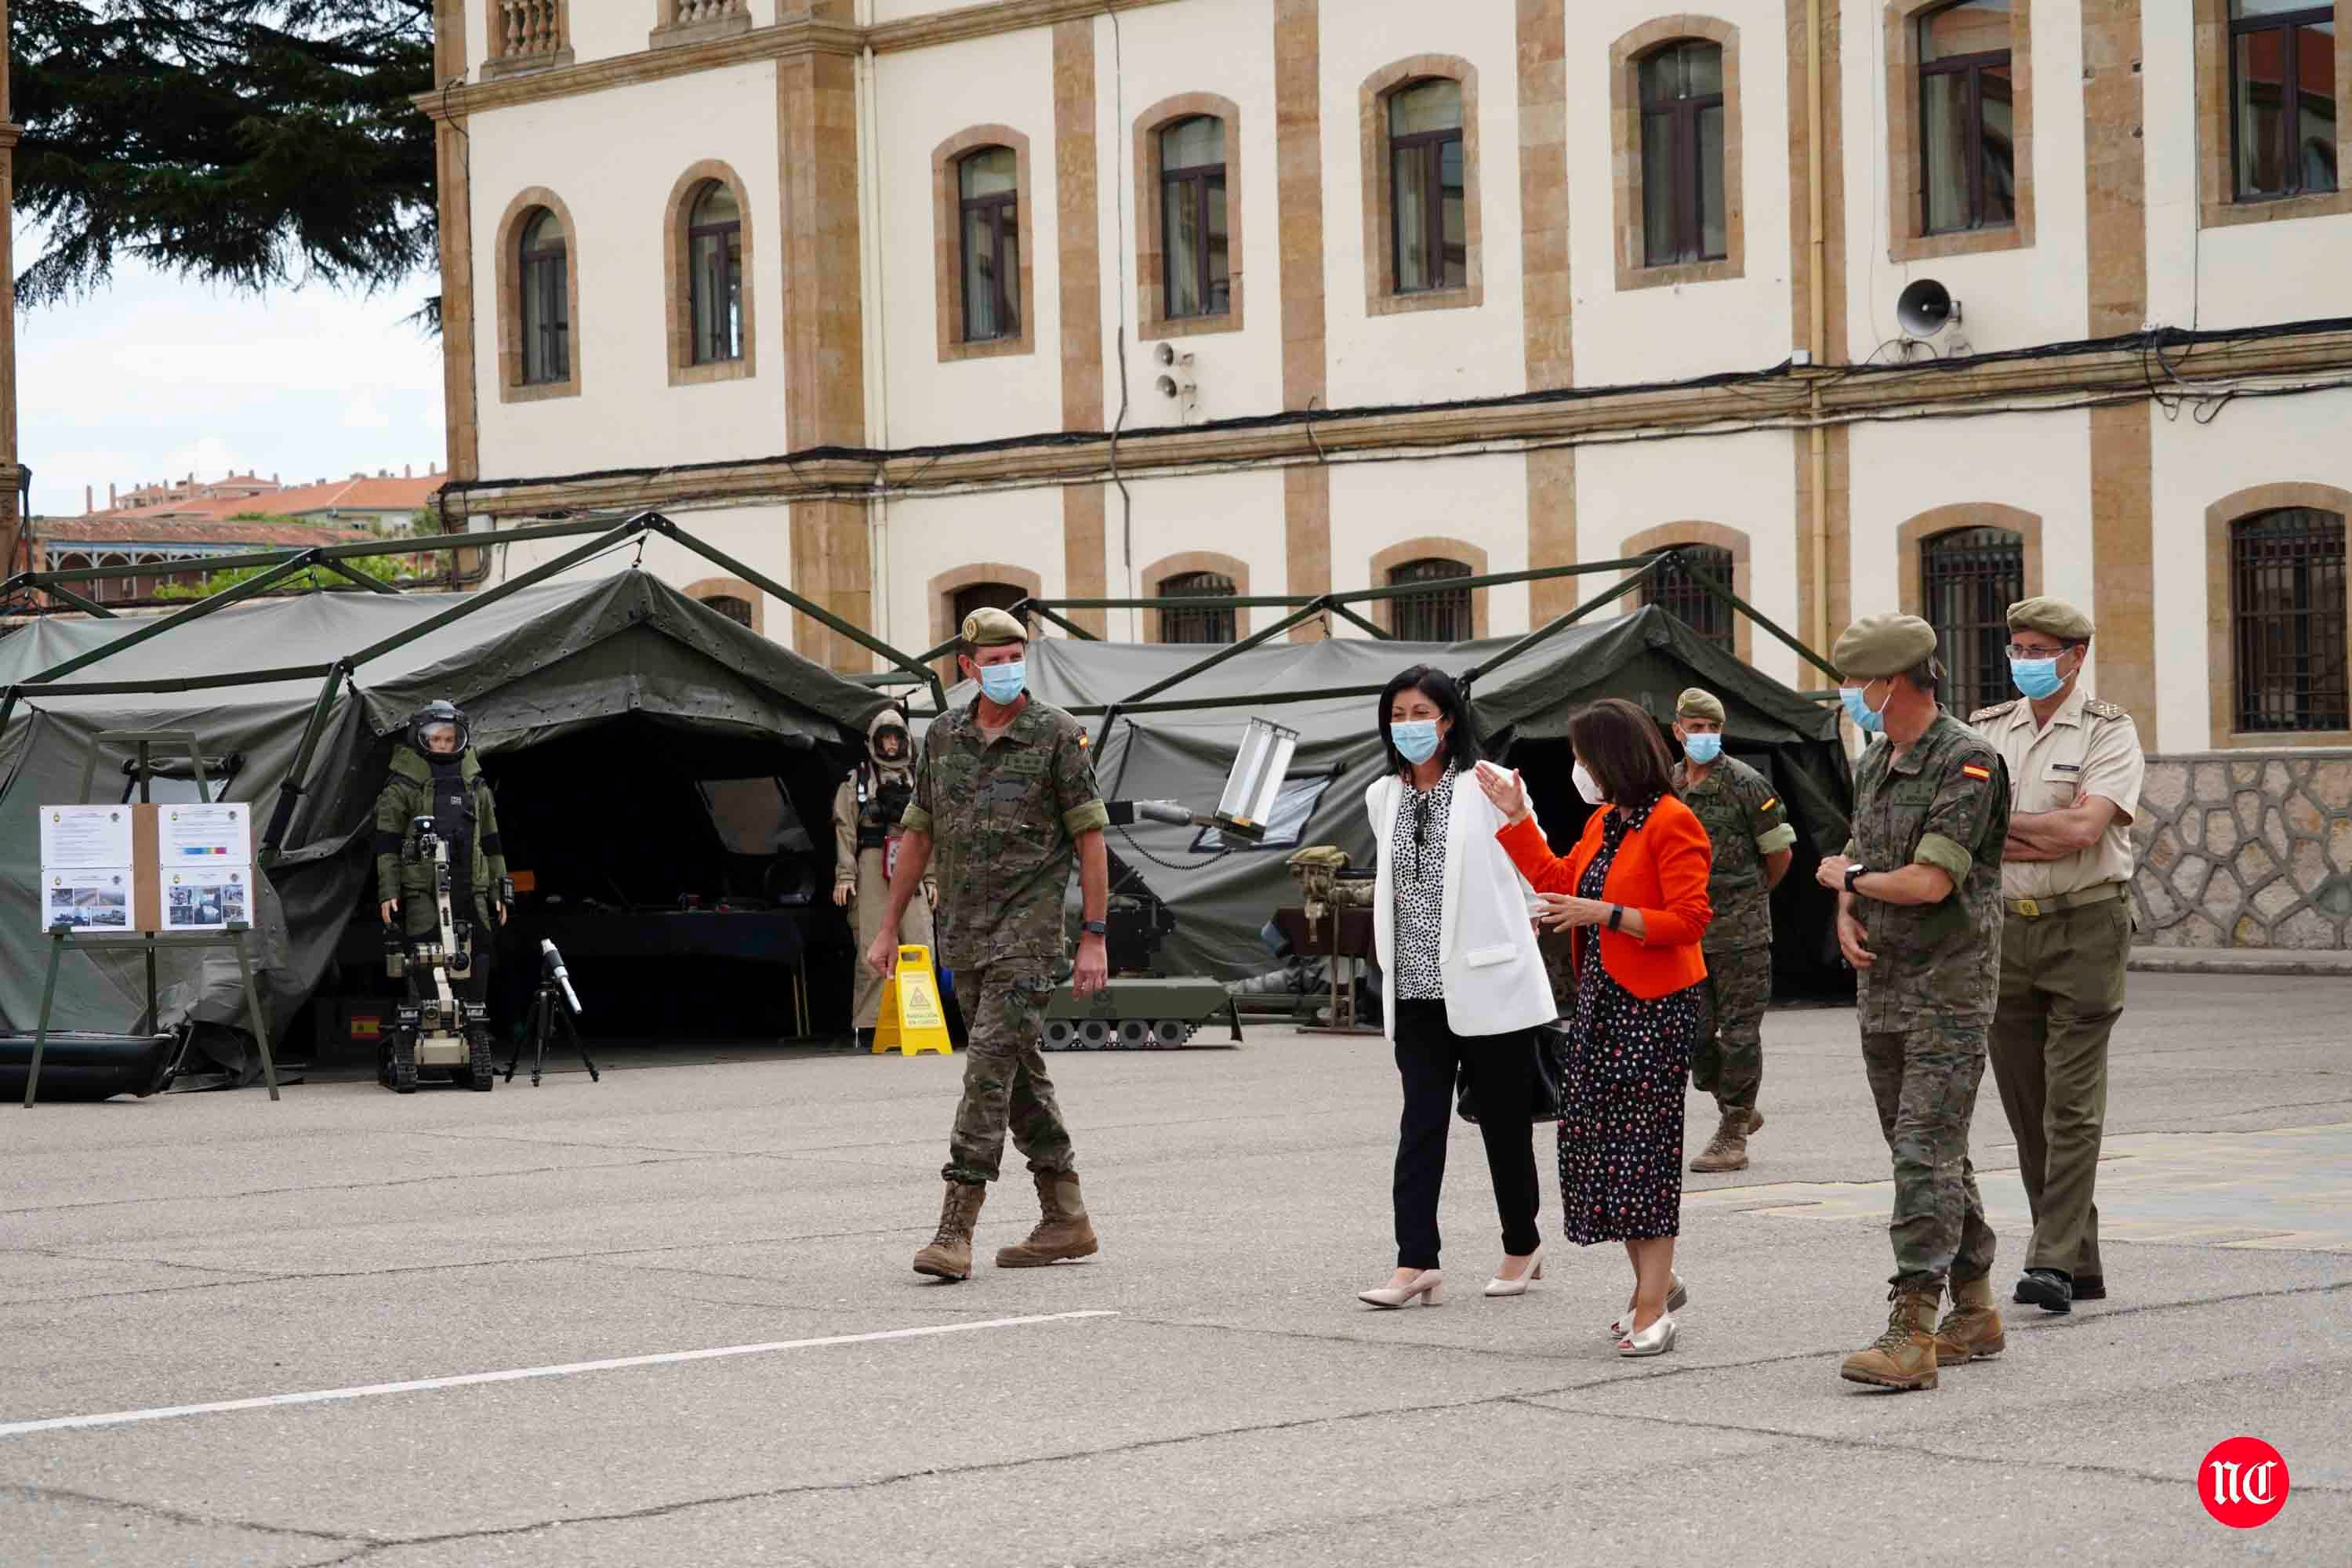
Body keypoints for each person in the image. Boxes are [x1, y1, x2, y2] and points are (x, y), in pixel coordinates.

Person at [867, 608, 1112, 1282]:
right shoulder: (943, 736)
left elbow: (1091, 838)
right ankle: (1066, 1216)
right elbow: (918, 833)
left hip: (1028, 936)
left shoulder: (1058, 735)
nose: (1007, 669)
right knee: (1017, 1074)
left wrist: (1094, 935)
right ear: (967, 667)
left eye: (1016, 657)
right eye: (994, 660)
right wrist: (889, 927)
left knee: (986, 1069)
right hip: (965, 935)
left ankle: (956, 1226)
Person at [1476, 699, 1714, 1356]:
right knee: (1599, 1149)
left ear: (1612, 757)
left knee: (1644, 1153)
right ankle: (1654, 1285)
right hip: (1603, 1003)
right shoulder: (1607, 821)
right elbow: (1558, 881)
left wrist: (1604, 912)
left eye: (1583, 757)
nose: (1577, 768)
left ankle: (1652, 1302)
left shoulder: (1674, 822)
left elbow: (1690, 921)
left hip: (1653, 1007)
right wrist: (1518, 817)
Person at [1813, 614, 2010, 1392]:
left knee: (1922, 1149)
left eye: (1853, 681)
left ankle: (1913, 1329)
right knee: (1932, 1148)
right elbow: (1866, 856)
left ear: (1890, 683)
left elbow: (1931, 881)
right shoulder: (1873, 762)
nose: (1847, 695)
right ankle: (1976, 1308)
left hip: (1949, 985)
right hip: (1885, 983)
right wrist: (1846, 905)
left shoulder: (1966, 760)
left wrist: (1847, 881)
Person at [1356, 667, 1558, 1311]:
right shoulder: (1381, 795)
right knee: (1421, 1121)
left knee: (1502, 1122)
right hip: (1414, 986)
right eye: (1399, 713)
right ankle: (1416, 1259)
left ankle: (1522, 1244)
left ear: (1448, 720)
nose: (1410, 725)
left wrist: (1520, 822)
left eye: (1423, 712)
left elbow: (1536, 866)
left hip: (1487, 980)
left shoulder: (1489, 785)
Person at [1970, 597, 2143, 1316]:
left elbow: (2083, 830)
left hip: (2086, 926)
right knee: (2028, 1106)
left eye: (2041, 649)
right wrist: (2042, 829)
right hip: (2006, 928)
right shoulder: (1984, 731)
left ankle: (2049, 1262)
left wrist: (2007, 829)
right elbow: (1969, 828)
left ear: (2076, 655)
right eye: (2017, 647)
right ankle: (2081, 1258)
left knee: (2071, 1105)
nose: (2026, 660)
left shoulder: (2111, 730)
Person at [1671, 688, 1798, 1173]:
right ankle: (1736, 1100)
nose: (1704, 736)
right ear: (1677, 730)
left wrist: (1748, 900)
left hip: (1741, 935)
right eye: (1696, 727)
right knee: (1694, 1034)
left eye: (1713, 729)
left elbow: (1779, 855)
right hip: (1687, 933)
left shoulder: (1747, 784)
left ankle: (1733, 1133)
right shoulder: (1670, 784)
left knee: (1741, 1034)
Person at [375, 699, 509, 1022]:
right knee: (424, 953)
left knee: (478, 952)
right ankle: (433, 1023)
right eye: (436, 739)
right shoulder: (403, 785)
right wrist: (388, 891)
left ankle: (473, 1024)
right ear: (421, 738)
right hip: (423, 888)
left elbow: (491, 841)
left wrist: (500, 890)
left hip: (472, 886)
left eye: (450, 739)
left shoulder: (475, 784)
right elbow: (387, 845)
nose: (443, 745)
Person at [832, 706, 937, 1051]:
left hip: (913, 863)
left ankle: (922, 1023)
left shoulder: (920, 780)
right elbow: (845, 830)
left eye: (896, 737)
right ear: (873, 742)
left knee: (919, 942)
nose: (891, 744)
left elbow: (933, 833)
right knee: (872, 945)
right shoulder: (857, 782)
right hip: (873, 862)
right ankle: (870, 1024)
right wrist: (845, 876)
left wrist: (933, 880)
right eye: (884, 738)